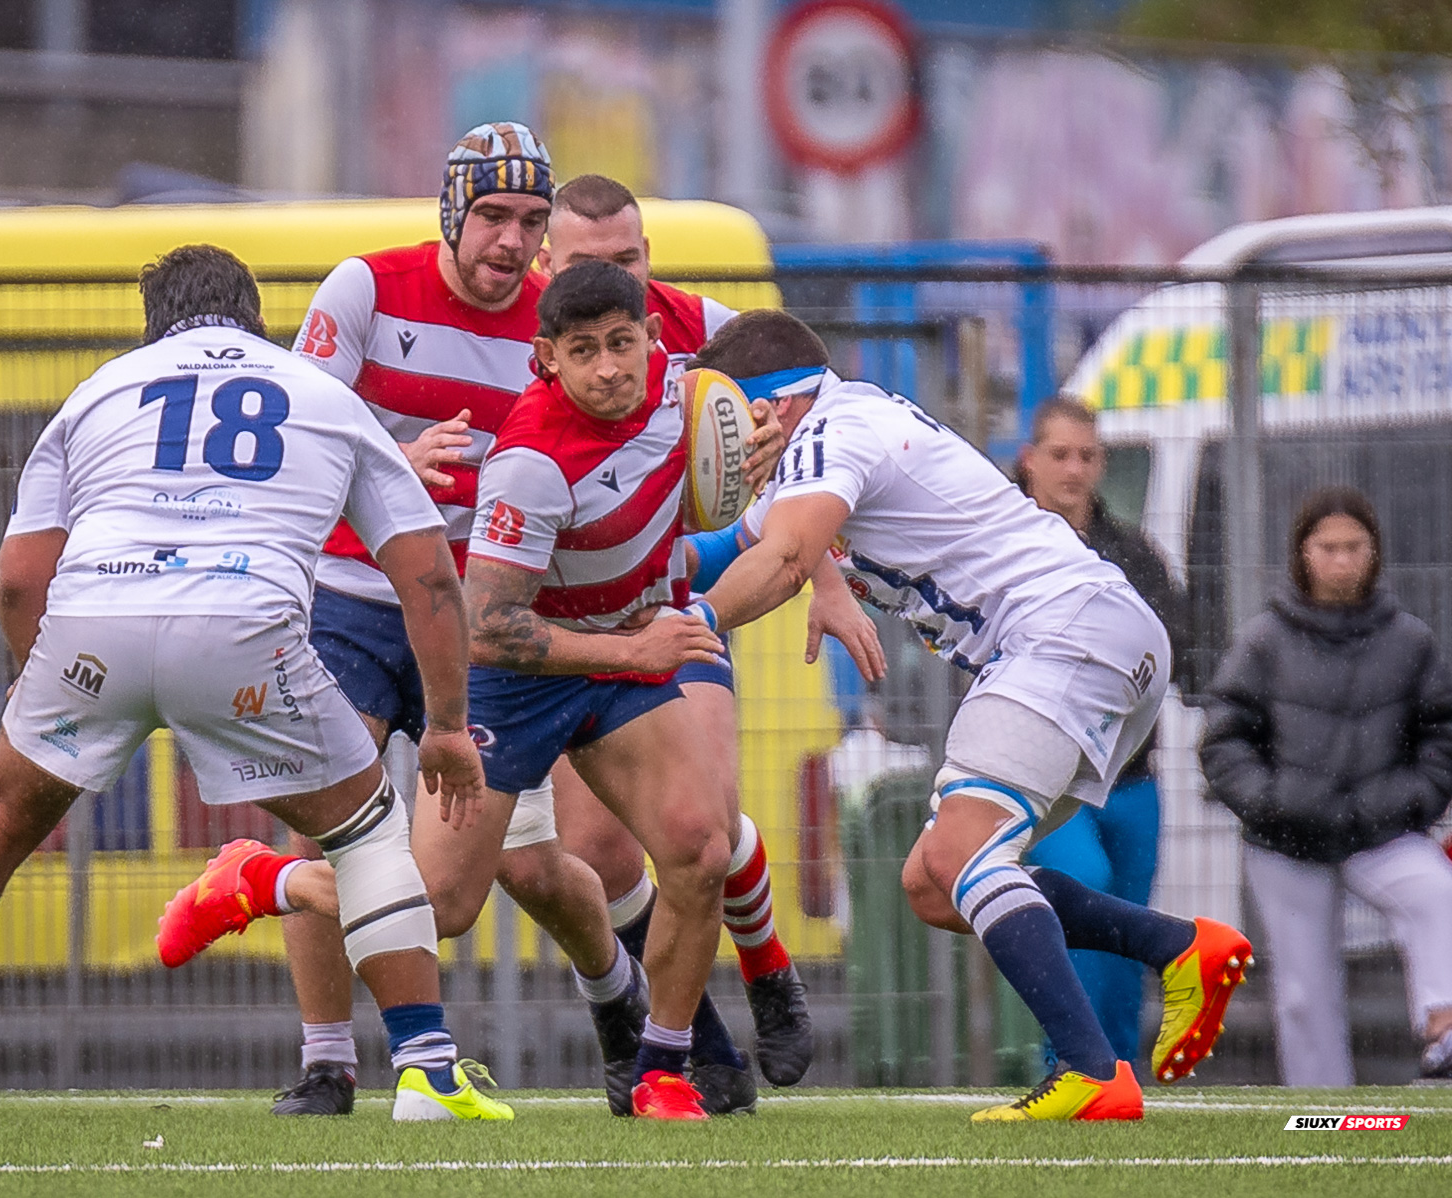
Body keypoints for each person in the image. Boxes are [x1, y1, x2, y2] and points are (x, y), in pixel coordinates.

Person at [0, 245, 511, 1120]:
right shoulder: (323, 394)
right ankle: (428, 1072)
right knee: (365, 836)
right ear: (253, 318)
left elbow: (21, 578)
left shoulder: (100, 389)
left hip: (96, 620)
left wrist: (48, 690)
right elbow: (431, 581)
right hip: (244, 627)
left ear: (155, 322)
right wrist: (445, 725)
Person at [687, 309, 1254, 1122]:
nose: (723, 446)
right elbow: (728, 548)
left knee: (962, 859)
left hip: (1061, 632)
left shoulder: (829, 437)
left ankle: (1093, 1072)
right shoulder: (833, 433)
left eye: (723, 418)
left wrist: (692, 627)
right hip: (1097, 634)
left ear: (771, 408)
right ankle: (1180, 947)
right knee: (932, 883)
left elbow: (778, 562)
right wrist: (601, 571)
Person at [237, 123, 648, 1117]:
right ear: (453, 212)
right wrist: (387, 464)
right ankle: (330, 1062)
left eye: (532, 222)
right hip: (350, 602)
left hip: (476, 629)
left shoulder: (555, 337)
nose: (512, 241)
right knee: (323, 828)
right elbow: (298, 428)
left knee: (516, 873)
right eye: (496, 217)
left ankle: (617, 996)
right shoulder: (366, 290)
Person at [537, 174, 814, 1108]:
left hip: (670, 607)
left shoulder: (716, 337)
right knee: (600, 857)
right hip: (566, 632)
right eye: (588, 264)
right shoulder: (526, 347)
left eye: (629, 261)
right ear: (549, 265)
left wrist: (827, 570)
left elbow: (819, 469)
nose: (614, 279)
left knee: (697, 827)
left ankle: (768, 967)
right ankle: (697, 1040)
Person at [464, 260, 762, 1119]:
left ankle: (662, 1069)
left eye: (622, 344)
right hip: (516, 679)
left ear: (653, 341)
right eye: (583, 350)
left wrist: (758, 457)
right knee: (446, 904)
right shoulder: (529, 461)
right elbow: (487, 627)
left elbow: (776, 410)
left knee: (700, 846)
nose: (607, 368)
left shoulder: (692, 396)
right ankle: (268, 881)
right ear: (545, 358)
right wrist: (634, 654)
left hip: (622, 653)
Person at [1200, 486, 1452, 1084]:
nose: (1341, 560)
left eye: (1354, 546)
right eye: (1327, 547)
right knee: (1304, 997)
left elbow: (1441, 740)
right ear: (1302, 553)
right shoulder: (1264, 640)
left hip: (1379, 830)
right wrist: (1275, 802)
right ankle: (1324, 1124)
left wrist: (1399, 801)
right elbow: (1224, 741)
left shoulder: (1410, 641)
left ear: (1375, 553)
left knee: (1436, 893)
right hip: (1287, 841)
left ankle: (1443, 1039)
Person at [1017, 396, 1189, 1072]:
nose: (1074, 468)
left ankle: (1122, 1072)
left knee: (1125, 927)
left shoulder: (1132, 552)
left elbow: (1172, 642)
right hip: (1047, 772)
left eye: (1087, 455)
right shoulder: (1006, 541)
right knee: (1080, 887)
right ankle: (1068, 1063)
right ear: (1030, 459)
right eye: (1060, 454)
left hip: (1132, 775)